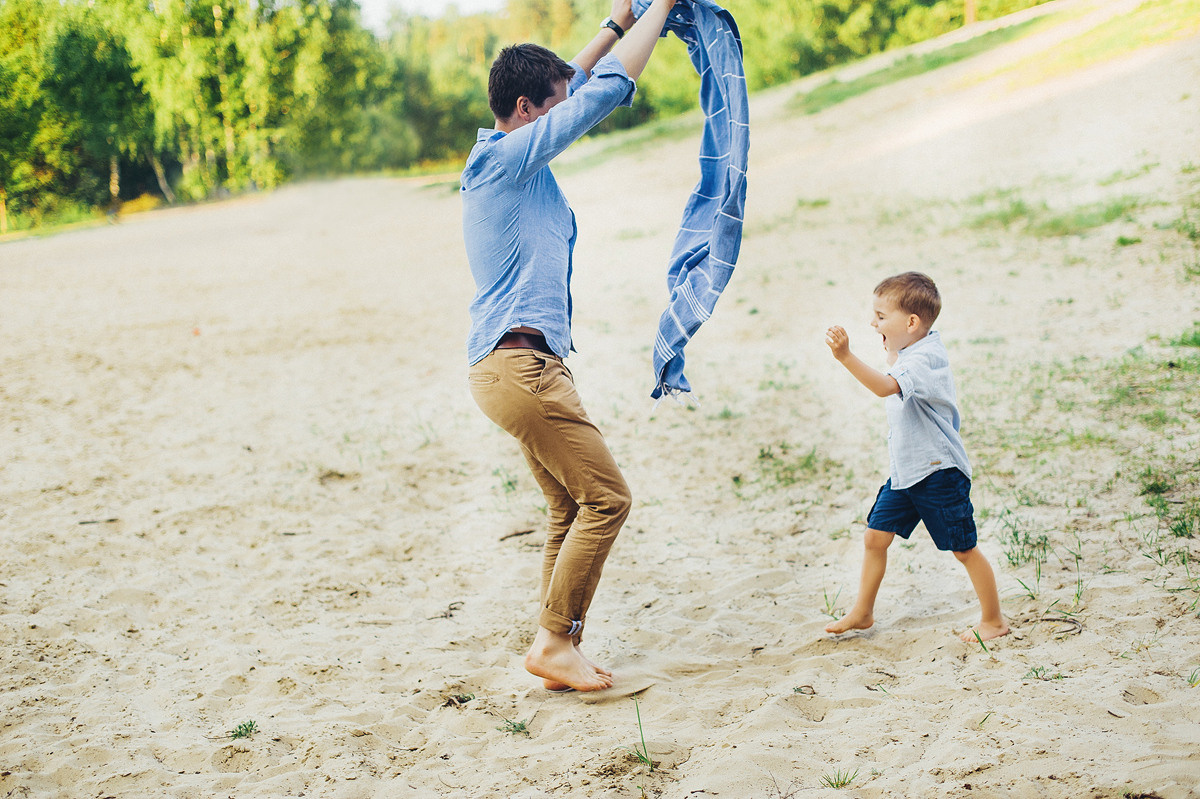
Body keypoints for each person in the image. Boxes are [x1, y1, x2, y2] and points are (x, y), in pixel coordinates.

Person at [461, 0, 678, 692]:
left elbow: (578, 84)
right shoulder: (508, 166)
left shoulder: (505, 156)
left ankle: (555, 647)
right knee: (608, 498)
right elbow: (605, 90)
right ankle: (555, 639)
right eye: (551, 109)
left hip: (516, 366)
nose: (564, 114)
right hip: (519, 366)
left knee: (567, 506)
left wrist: (618, 20)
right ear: (526, 111)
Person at [823, 272, 1010, 643]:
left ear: (911, 323)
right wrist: (891, 345)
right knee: (875, 537)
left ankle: (994, 620)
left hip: (938, 472)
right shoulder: (911, 349)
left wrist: (845, 356)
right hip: (906, 473)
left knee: (963, 548)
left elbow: (884, 387)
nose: (871, 322)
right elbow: (894, 367)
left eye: (880, 316)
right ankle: (863, 611)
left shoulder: (926, 358)